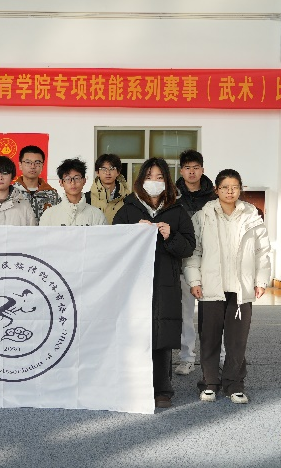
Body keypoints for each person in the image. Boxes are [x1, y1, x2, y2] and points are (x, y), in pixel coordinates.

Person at [113, 158, 195, 409]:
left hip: (164, 282)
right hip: (134, 284)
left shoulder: (177, 210)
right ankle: (133, 387)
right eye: (149, 177)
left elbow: (188, 247)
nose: (154, 182)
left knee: (162, 334)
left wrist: (170, 236)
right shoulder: (127, 210)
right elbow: (113, 244)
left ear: (167, 182)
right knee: (135, 333)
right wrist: (132, 232)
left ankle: (162, 389)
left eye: (159, 178)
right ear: (141, 181)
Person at [184, 169, 271, 404]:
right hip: (212, 286)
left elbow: (262, 251)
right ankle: (209, 383)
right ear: (217, 190)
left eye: (234, 187)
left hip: (240, 288)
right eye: (225, 187)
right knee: (209, 339)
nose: (230, 191)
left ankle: (234, 384)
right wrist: (194, 280)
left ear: (240, 189)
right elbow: (194, 252)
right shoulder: (203, 215)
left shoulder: (251, 215)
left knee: (236, 341)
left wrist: (261, 280)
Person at [173, 149, 223, 376]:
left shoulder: (214, 196)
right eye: (187, 168)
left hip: (211, 264)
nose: (192, 172)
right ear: (181, 171)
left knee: (214, 315)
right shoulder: (173, 196)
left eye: (196, 168)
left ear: (202, 169)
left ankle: (220, 356)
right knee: (185, 314)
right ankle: (187, 358)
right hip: (183, 262)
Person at [40, 158, 107, 226]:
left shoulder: (97, 215)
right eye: (68, 179)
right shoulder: (49, 215)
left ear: (84, 181)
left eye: (77, 178)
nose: (73, 183)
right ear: (61, 182)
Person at [13, 145, 60, 224]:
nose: (33, 166)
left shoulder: (52, 195)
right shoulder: (11, 193)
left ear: (42, 166)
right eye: (28, 162)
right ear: (20, 165)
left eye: (37, 163)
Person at [84, 153, 131, 224]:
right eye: (103, 169)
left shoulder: (128, 198)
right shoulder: (86, 198)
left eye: (112, 169)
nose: (108, 173)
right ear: (97, 172)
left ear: (118, 172)